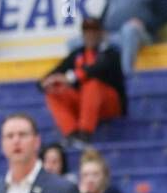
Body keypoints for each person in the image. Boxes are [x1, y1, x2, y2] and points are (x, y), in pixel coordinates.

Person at [40, 16, 126, 146]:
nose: (90, 35)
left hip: (109, 105)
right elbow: (54, 73)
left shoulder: (111, 53)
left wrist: (70, 78)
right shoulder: (77, 54)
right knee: (54, 91)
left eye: (94, 31)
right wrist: (47, 82)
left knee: (92, 85)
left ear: (101, 33)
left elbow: (97, 69)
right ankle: (71, 134)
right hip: (85, 106)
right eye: (87, 31)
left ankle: (84, 134)